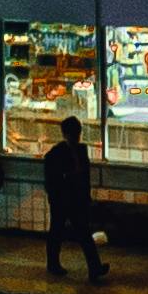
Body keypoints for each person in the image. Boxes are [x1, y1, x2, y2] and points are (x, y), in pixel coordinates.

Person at [44, 117, 111, 283]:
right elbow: (54, 178)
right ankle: (58, 264)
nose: (77, 136)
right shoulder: (58, 153)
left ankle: (93, 268)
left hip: (73, 200)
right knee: (63, 232)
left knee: (75, 233)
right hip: (64, 199)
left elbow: (83, 177)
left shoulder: (77, 150)